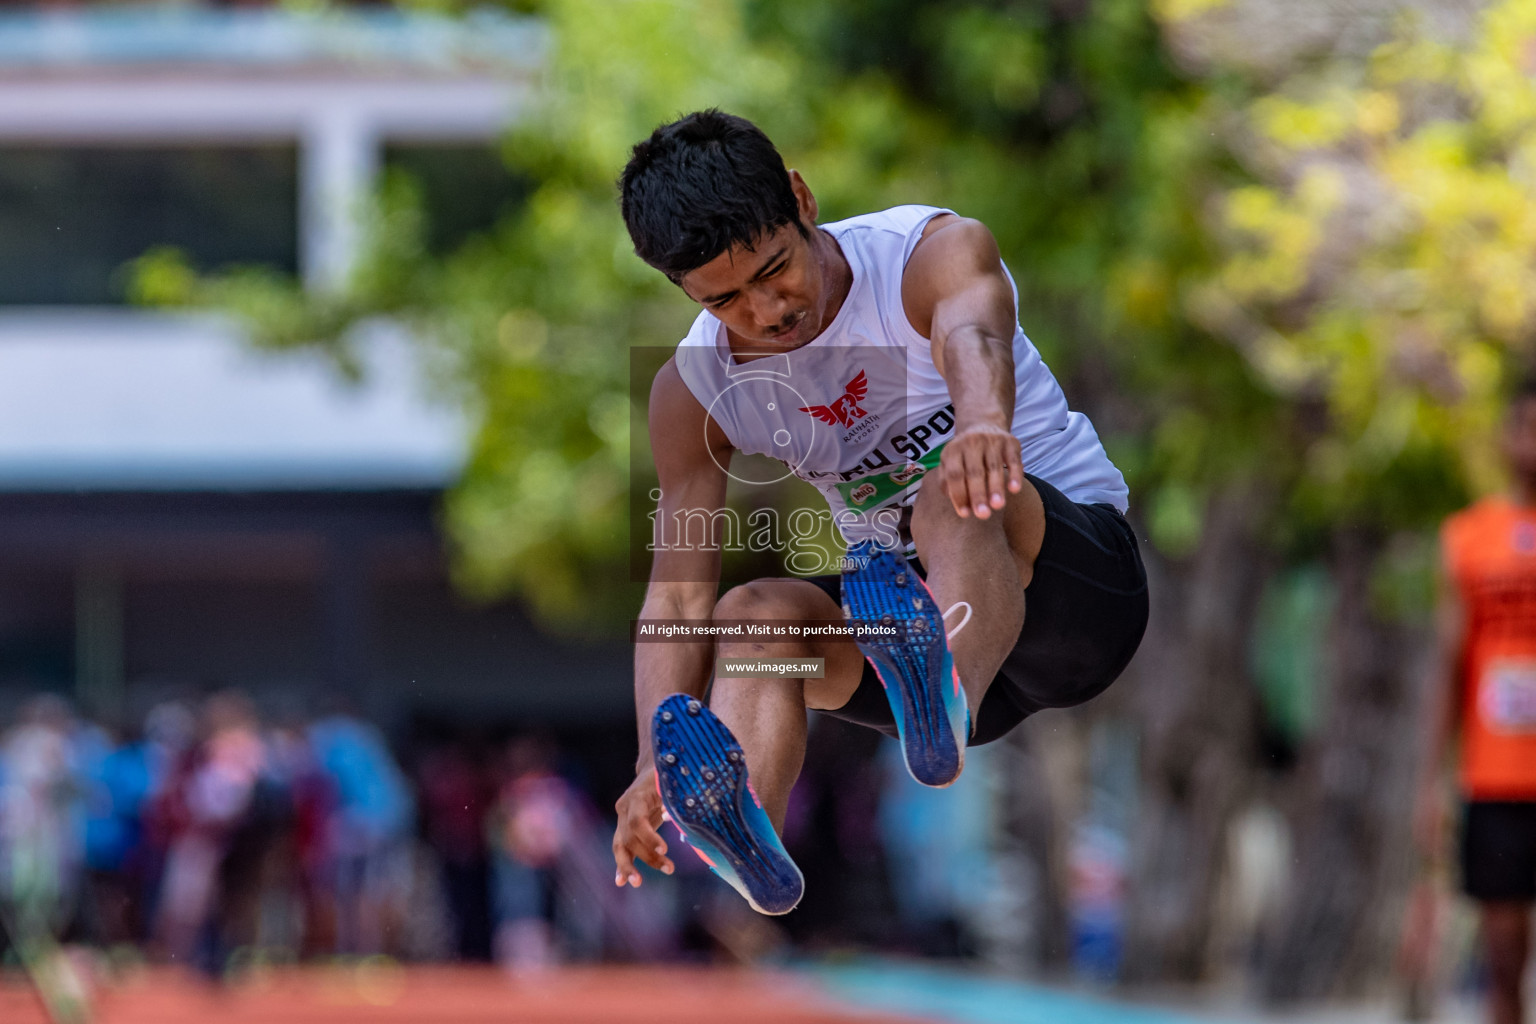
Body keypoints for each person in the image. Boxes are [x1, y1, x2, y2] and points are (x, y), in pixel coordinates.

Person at [611, 110, 1148, 915]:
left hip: (1074, 593)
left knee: (951, 493)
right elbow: (676, 597)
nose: (765, 311)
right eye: (725, 299)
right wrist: (654, 756)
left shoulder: (925, 257)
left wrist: (982, 425)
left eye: (774, 269)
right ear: (684, 290)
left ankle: (943, 680)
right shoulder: (693, 392)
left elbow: (977, 336)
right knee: (752, 620)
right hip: (910, 641)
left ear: (802, 197)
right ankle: (744, 827)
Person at [1417, 378, 1536, 1024]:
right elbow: (1448, 664)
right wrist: (1430, 785)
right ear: (1506, 435)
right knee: (1503, 957)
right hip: (1495, 781)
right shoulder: (1469, 538)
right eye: (1524, 426)